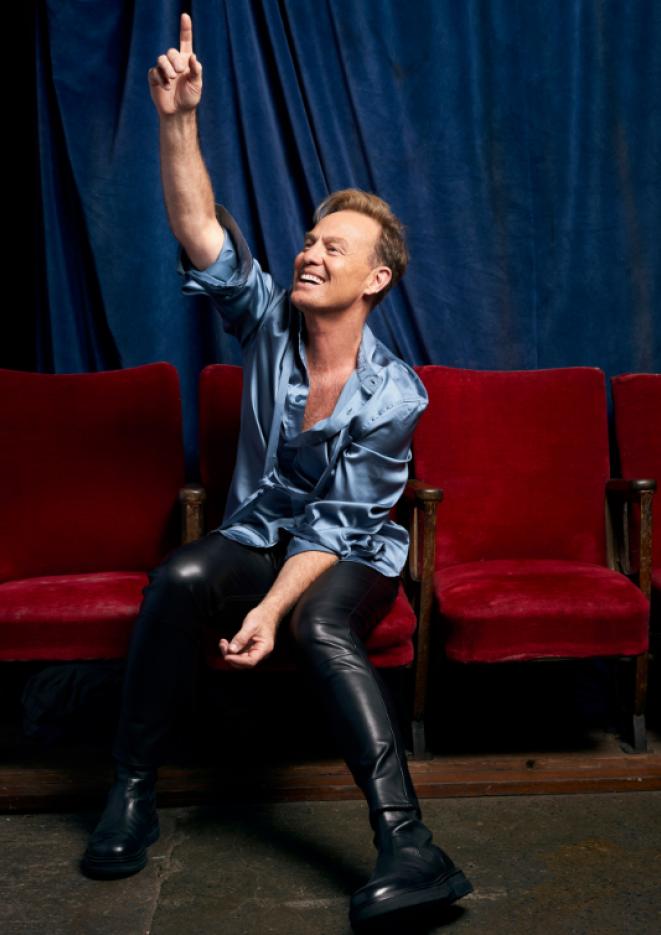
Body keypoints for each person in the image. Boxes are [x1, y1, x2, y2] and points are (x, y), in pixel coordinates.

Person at [81, 12, 473, 928]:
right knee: (178, 576)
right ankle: (130, 792)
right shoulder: (268, 325)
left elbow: (335, 533)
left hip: (350, 557)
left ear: (374, 280)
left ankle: (409, 844)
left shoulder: (396, 396)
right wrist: (178, 120)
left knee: (323, 629)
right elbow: (197, 229)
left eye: (335, 247)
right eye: (308, 238)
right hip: (259, 535)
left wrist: (266, 611)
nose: (309, 251)